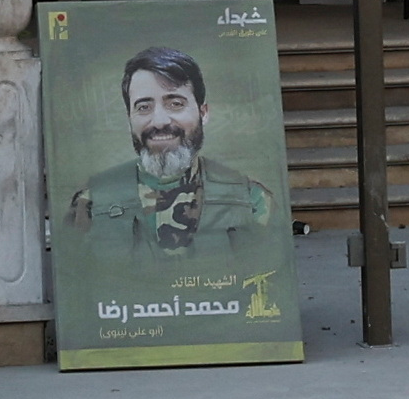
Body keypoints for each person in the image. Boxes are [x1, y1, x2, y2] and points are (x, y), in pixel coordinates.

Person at [59, 45, 282, 257]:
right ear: (129, 118)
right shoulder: (91, 202)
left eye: (175, 103)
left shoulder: (251, 200)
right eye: (144, 107)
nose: (160, 121)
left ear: (203, 113)